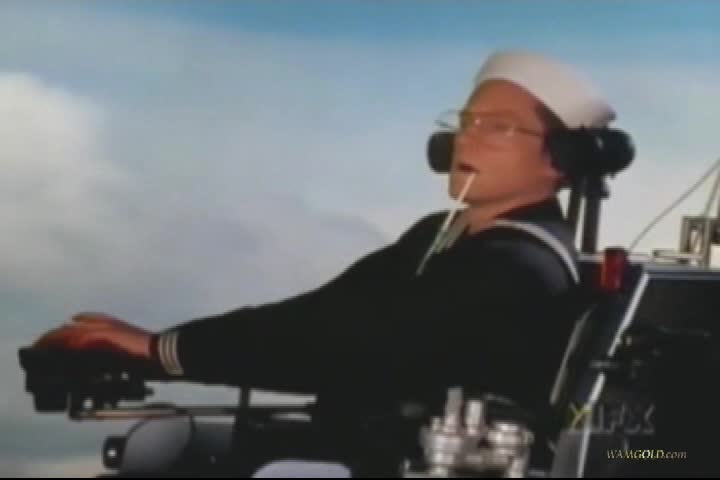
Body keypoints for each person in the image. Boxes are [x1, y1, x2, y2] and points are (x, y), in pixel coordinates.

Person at [34, 50, 616, 421]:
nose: (466, 140)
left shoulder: (516, 268)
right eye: (465, 123)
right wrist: (157, 348)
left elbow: (341, 342)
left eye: (499, 128)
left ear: (562, 159)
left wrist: (162, 351)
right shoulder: (442, 232)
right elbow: (325, 312)